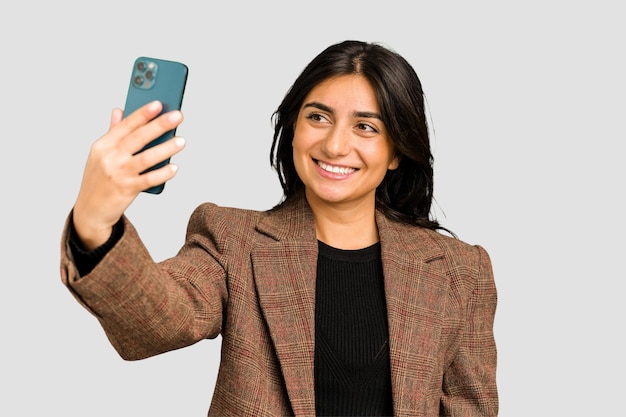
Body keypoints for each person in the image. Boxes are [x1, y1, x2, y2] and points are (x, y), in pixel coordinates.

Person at [60, 40, 498, 416]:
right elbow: (159, 320)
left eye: (365, 126)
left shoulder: (459, 272)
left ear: (397, 150)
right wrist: (95, 221)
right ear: (293, 128)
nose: (335, 145)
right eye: (318, 117)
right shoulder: (233, 240)